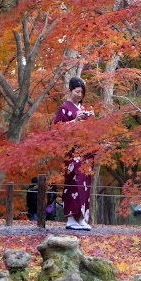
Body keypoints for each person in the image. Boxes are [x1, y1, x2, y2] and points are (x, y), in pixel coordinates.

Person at [54, 76, 95, 231]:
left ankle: (82, 217)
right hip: (73, 150)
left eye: (82, 92)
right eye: (77, 91)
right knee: (73, 182)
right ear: (70, 91)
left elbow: (92, 130)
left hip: (86, 151)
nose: (79, 95)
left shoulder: (84, 109)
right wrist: (74, 122)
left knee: (86, 183)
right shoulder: (65, 108)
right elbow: (57, 129)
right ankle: (71, 217)